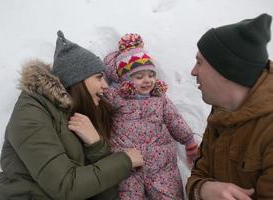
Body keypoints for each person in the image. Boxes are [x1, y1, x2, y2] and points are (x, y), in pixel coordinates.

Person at [0, 30, 144, 200]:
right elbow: (66, 187)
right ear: (77, 79)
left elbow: (104, 194)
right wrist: (125, 161)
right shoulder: (31, 113)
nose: (105, 86)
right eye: (98, 77)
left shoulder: (75, 114)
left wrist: (96, 146)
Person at [186, 13, 273, 200]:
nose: (193, 72)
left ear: (227, 70)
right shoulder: (222, 111)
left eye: (199, 62)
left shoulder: (268, 130)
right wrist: (202, 189)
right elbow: (198, 174)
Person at [103, 33, 198, 200]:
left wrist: (189, 141)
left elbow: (174, 120)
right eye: (139, 77)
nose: (147, 80)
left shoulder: (159, 99)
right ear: (125, 79)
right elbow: (97, 106)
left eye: (151, 75)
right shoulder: (115, 98)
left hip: (161, 164)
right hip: (128, 165)